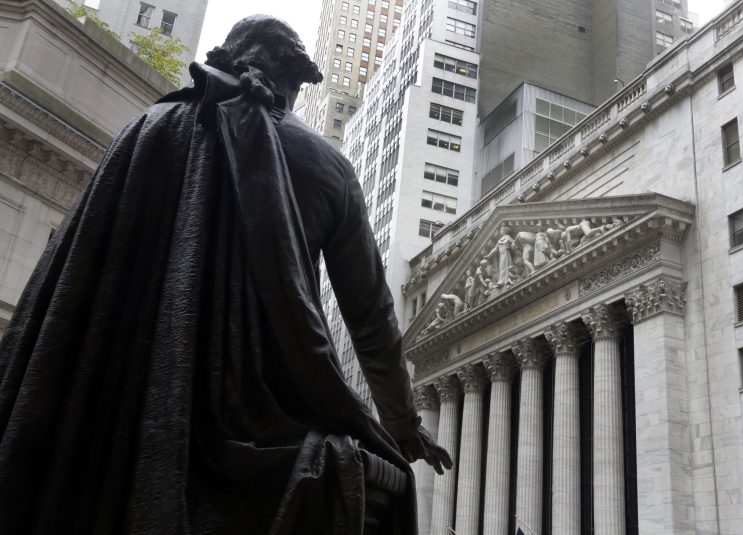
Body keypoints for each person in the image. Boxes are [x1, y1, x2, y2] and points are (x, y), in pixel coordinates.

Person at [0, 15, 450, 535]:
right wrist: (402, 425)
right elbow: (371, 320)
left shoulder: (149, 127)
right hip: (263, 413)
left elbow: (72, 276)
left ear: (225, 58)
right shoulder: (329, 166)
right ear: (296, 84)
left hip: (123, 401)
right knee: (386, 482)